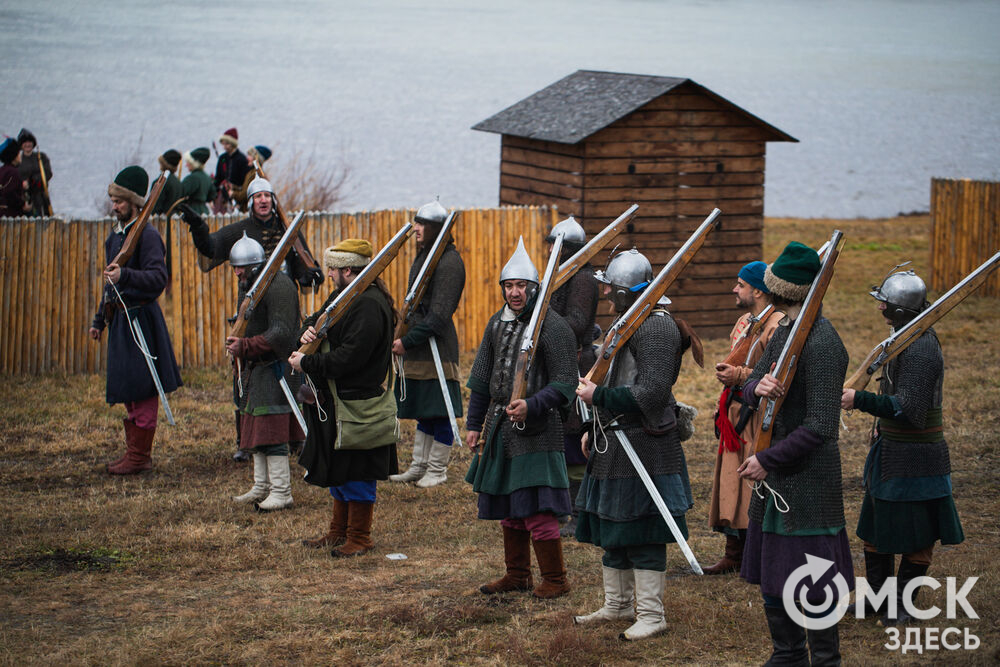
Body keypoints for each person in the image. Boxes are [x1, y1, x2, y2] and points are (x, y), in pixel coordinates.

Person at [737, 242, 851, 665]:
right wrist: (756, 386)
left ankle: (824, 660)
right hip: (776, 474)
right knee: (774, 574)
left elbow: (820, 427)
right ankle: (787, 655)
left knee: (815, 580)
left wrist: (768, 459)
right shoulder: (784, 330)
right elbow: (748, 389)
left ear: (783, 293)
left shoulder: (823, 345)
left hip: (807, 478)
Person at [573, 248, 694, 641]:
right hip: (614, 436)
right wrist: (594, 422)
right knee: (613, 527)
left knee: (643, 531)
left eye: (613, 290)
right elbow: (608, 380)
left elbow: (653, 393)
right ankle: (618, 604)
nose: (607, 296)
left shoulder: (656, 327)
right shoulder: (630, 321)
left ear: (629, 291)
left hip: (646, 443)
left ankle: (651, 613)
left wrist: (599, 402)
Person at [841, 268, 963, 625]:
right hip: (891, 451)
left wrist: (859, 400)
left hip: (917, 455)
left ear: (901, 310)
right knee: (876, 531)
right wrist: (878, 423)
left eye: (885, 305)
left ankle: (903, 605)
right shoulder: (905, 336)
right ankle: (879, 601)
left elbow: (910, 410)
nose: (879, 310)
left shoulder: (922, 346)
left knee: (919, 535)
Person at [177, 175, 322, 461]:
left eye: (267, 195)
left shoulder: (288, 230)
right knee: (246, 374)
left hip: (284, 308)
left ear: (273, 200)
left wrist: (309, 274)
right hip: (254, 312)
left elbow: (302, 264)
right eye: (258, 197)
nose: (263, 200)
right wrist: (198, 226)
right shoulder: (241, 230)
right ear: (251, 202)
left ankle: (297, 437)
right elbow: (211, 247)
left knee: (293, 373)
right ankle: (245, 442)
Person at [463, 237, 577, 599]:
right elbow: (482, 378)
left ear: (534, 288)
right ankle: (518, 575)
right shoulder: (497, 323)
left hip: (539, 428)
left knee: (537, 508)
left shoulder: (553, 326)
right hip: (500, 426)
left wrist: (534, 403)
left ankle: (555, 580)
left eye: (521, 286)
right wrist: (472, 424)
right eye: (509, 286)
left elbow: (566, 383)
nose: (515, 292)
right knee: (510, 506)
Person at [291, 239, 398, 557]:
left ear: (348, 270)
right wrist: (306, 332)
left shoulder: (368, 304)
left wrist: (306, 362)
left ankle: (360, 537)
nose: (330, 274)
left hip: (357, 400)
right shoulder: (346, 295)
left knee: (358, 472)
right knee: (340, 467)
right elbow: (318, 318)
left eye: (334, 269)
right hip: (339, 399)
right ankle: (338, 532)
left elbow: (350, 357)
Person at [88, 166, 182, 474]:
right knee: (129, 389)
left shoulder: (149, 236)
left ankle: (139, 457)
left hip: (142, 320)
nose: (114, 206)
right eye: (112, 200)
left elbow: (158, 279)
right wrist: (99, 319)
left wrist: (125, 274)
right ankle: (134, 453)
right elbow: (109, 283)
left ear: (133, 202)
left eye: (119, 200)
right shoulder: (115, 238)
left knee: (143, 390)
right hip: (121, 321)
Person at [704, 261, 784, 574]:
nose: (735, 289)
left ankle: (753, 556)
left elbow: (776, 377)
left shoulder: (775, 325)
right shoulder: (751, 321)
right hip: (736, 412)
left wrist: (739, 375)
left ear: (758, 290)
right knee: (732, 483)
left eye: (741, 284)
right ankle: (734, 553)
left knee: (748, 485)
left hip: (755, 414)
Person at [389, 200, 466, 488]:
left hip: (437, 347)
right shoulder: (426, 255)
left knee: (439, 408)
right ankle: (419, 466)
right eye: (416, 222)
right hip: (420, 346)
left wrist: (407, 341)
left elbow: (439, 316)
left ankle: (437, 469)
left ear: (436, 228)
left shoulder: (449, 261)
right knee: (424, 407)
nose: (417, 228)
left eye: (422, 224)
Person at [226, 233, 304, 511]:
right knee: (256, 426)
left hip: (277, 368)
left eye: (241, 268)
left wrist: (246, 345)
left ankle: (282, 491)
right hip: (257, 368)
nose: (237, 272)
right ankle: (261, 486)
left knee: (272, 429)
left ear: (255, 265)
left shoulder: (278, 284)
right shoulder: (251, 284)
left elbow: (282, 333)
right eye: (234, 267)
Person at [543, 215, 598, 538]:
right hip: (557, 360)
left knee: (576, 440)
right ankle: (563, 508)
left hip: (576, 362)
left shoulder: (583, 279)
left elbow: (577, 323)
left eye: (553, 245)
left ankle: (578, 513)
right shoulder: (561, 274)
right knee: (561, 438)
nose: (549, 249)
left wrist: (544, 321)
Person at [16, 128, 52, 217]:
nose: (28, 144)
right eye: (25, 142)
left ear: (33, 143)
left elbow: (48, 173)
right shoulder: (17, 160)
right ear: (21, 145)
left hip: (41, 196)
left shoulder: (41, 157)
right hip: (24, 199)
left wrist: (33, 180)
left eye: (30, 142)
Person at [213, 127, 249, 213]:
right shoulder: (222, 158)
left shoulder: (242, 159)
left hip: (237, 197)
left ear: (233, 144)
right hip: (223, 198)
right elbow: (218, 179)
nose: (224, 147)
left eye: (227, 144)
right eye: (223, 144)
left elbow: (244, 182)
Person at [231, 145, 272, 212]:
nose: (247, 158)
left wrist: (233, 194)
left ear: (256, 158)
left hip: (249, 212)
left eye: (250, 155)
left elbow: (246, 195)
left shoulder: (255, 175)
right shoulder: (251, 173)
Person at [181, 147, 216, 215]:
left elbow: (180, 193)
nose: (186, 165)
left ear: (194, 163)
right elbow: (212, 195)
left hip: (193, 211)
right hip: (205, 211)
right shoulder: (207, 177)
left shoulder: (192, 178)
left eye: (188, 162)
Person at [0, 138, 28, 217]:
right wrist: (23, 205)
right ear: (14, 156)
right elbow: (10, 193)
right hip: (11, 215)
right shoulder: (13, 172)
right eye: (19, 153)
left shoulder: (1, 170)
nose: (20, 155)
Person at [151, 149, 184, 215]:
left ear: (163, 164)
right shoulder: (178, 183)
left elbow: (154, 207)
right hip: (175, 221)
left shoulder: (161, 181)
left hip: (162, 221)